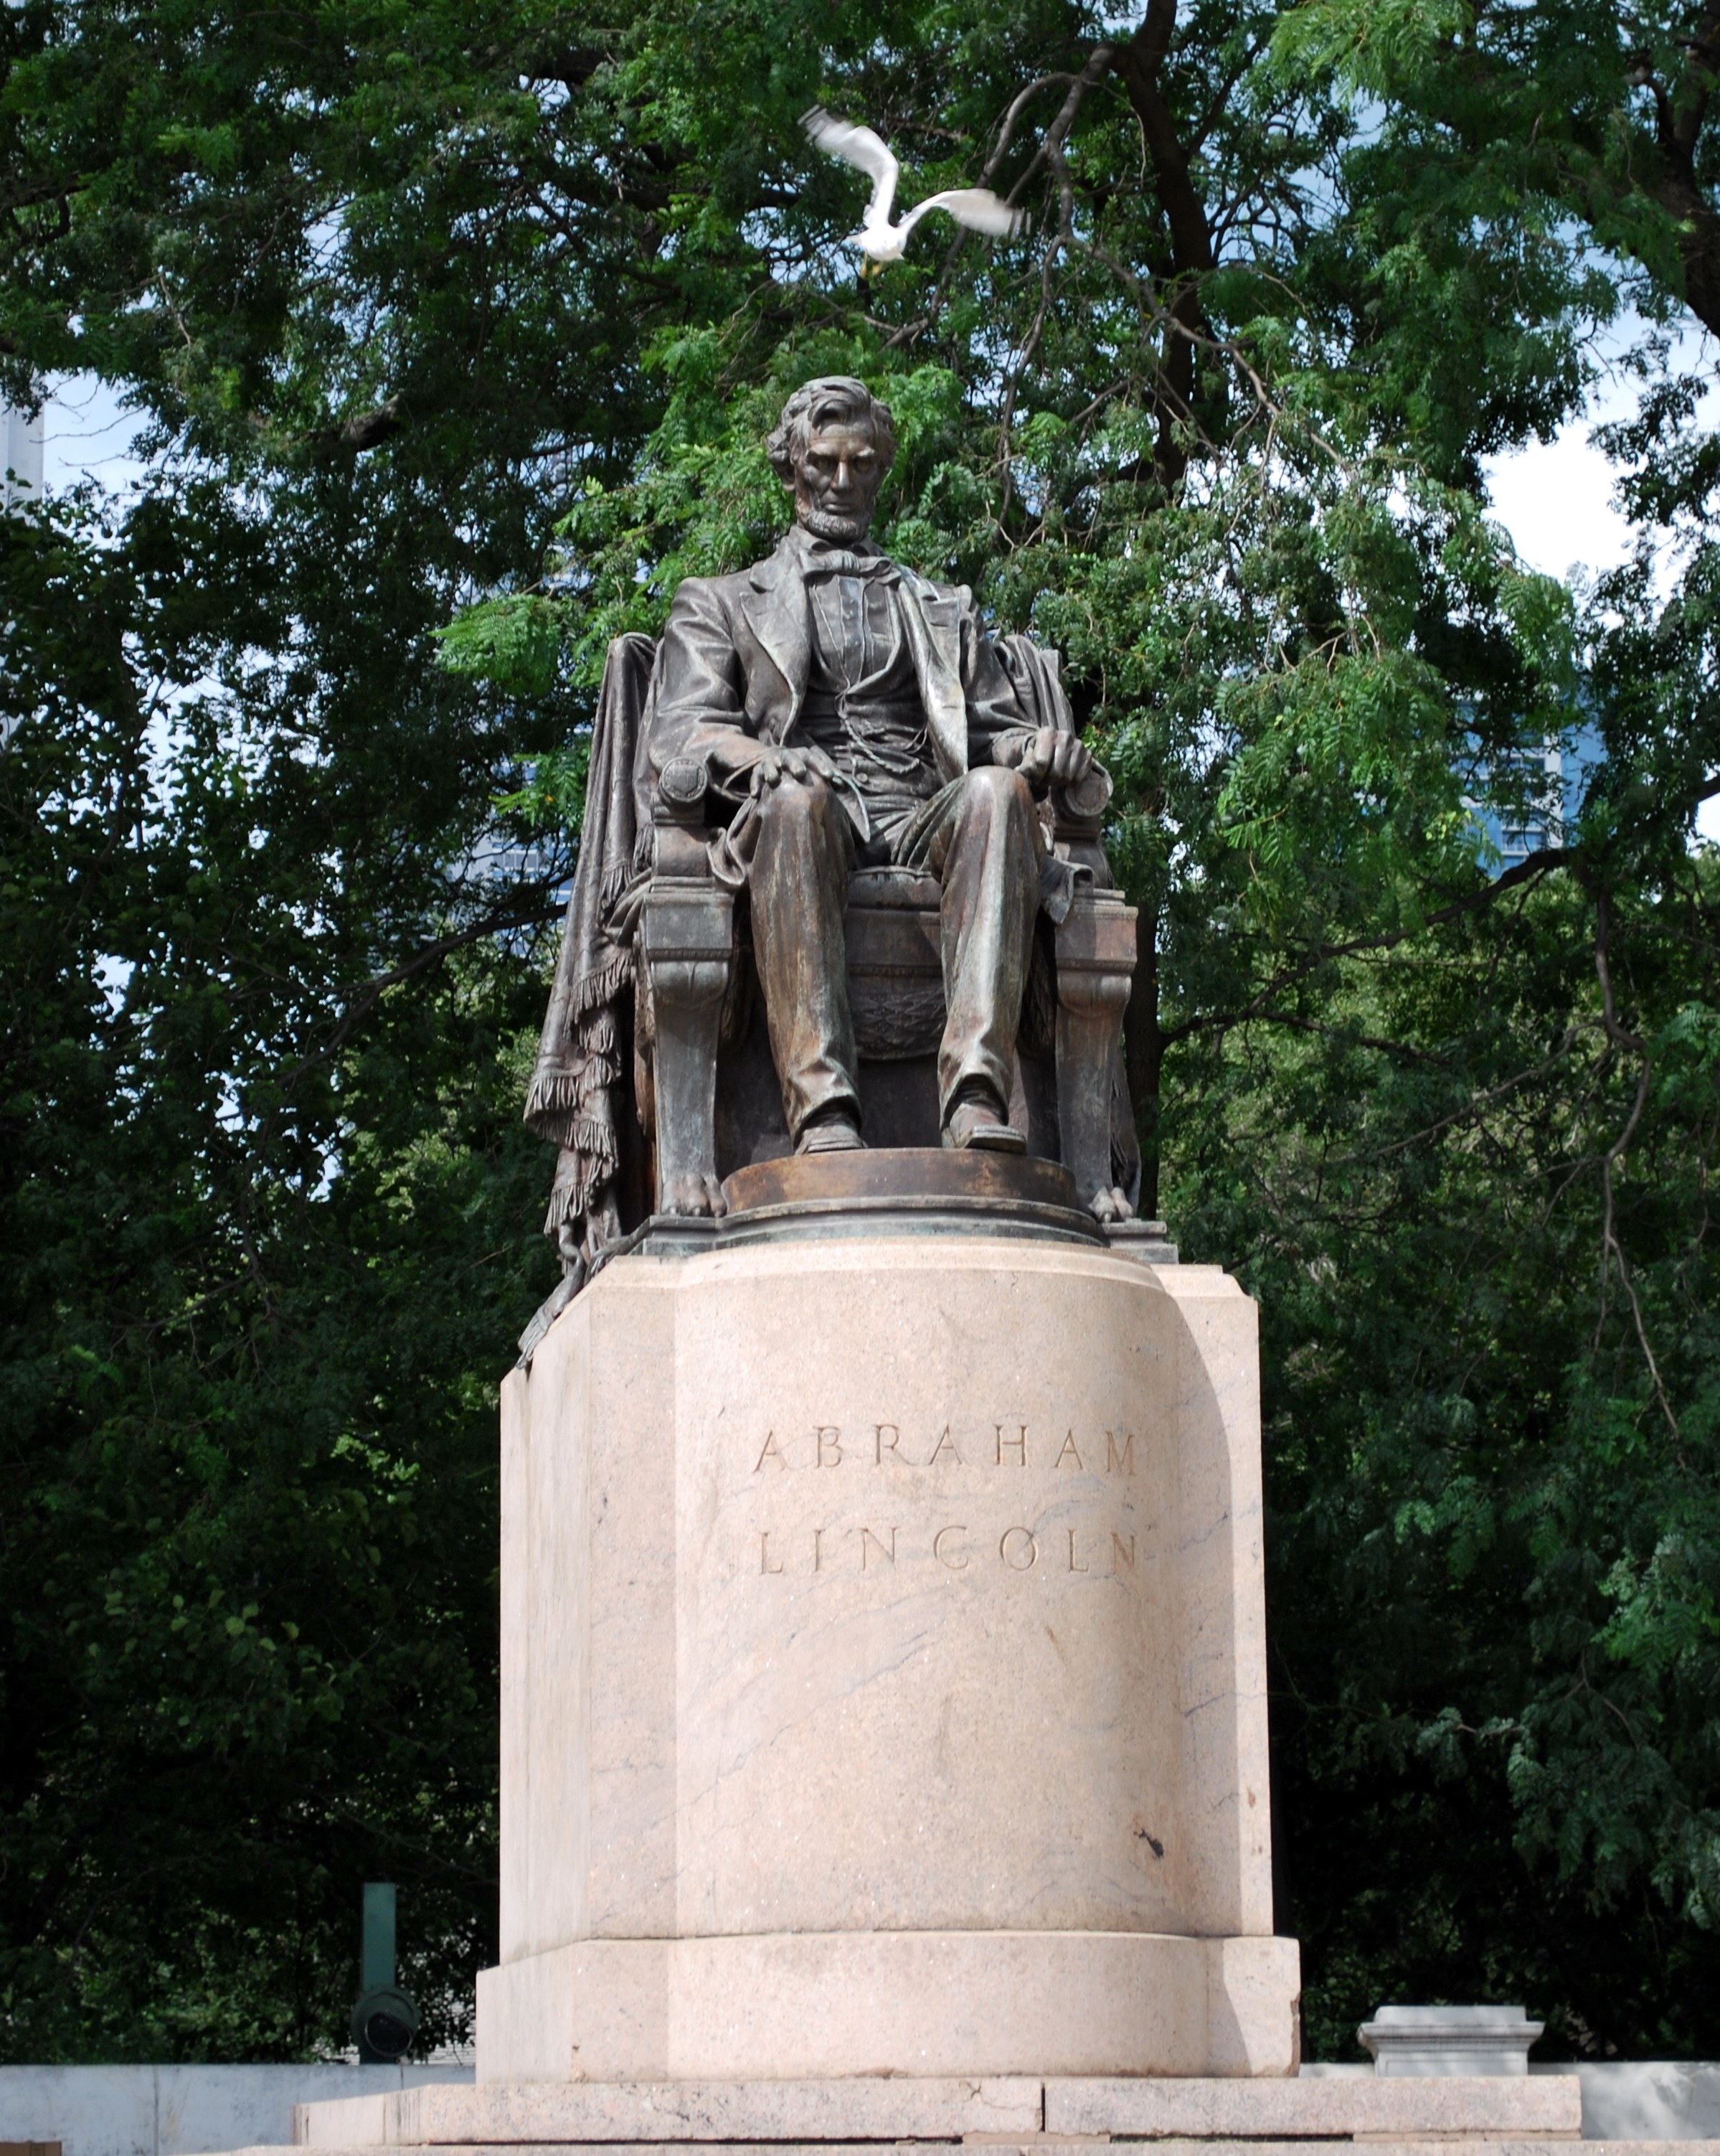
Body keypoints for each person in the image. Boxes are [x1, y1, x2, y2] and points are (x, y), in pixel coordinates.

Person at [649, 375, 1095, 1157]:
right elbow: (685, 730)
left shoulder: (940, 605)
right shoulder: (719, 600)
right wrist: (768, 759)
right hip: (812, 813)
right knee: (795, 799)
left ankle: (976, 1096)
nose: (842, 480)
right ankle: (822, 1111)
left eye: (861, 463)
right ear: (790, 467)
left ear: (882, 470)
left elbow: (991, 731)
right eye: (823, 462)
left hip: (923, 811)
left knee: (998, 794)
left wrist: (1031, 749)